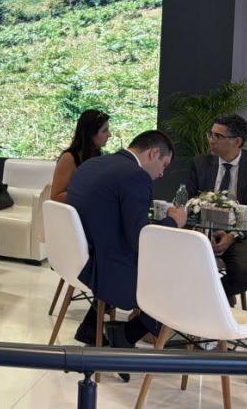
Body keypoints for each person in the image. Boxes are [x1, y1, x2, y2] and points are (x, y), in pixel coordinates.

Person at [67, 130, 186, 378]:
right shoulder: (135, 176)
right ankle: (128, 333)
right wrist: (173, 222)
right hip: (111, 269)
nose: (161, 174)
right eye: (164, 165)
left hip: (83, 259)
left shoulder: (91, 165)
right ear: (153, 153)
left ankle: (91, 327)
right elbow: (140, 238)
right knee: (183, 275)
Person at [185, 114, 247, 299]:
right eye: (211, 134)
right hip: (202, 232)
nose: (211, 140)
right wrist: (203, 231)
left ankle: (204, 299)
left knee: (243, 275)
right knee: (175, 263)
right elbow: (187, 204)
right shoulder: (199, 163)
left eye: (218, 136)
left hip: (242, 236)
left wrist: (233, 235)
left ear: (237, 141)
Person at [50, 109, 110, 202]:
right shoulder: (69, 158)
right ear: (90, 134)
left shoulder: (98, 156)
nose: (109, 135)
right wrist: (90, 190)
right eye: (104, 131)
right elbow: (55, 197)